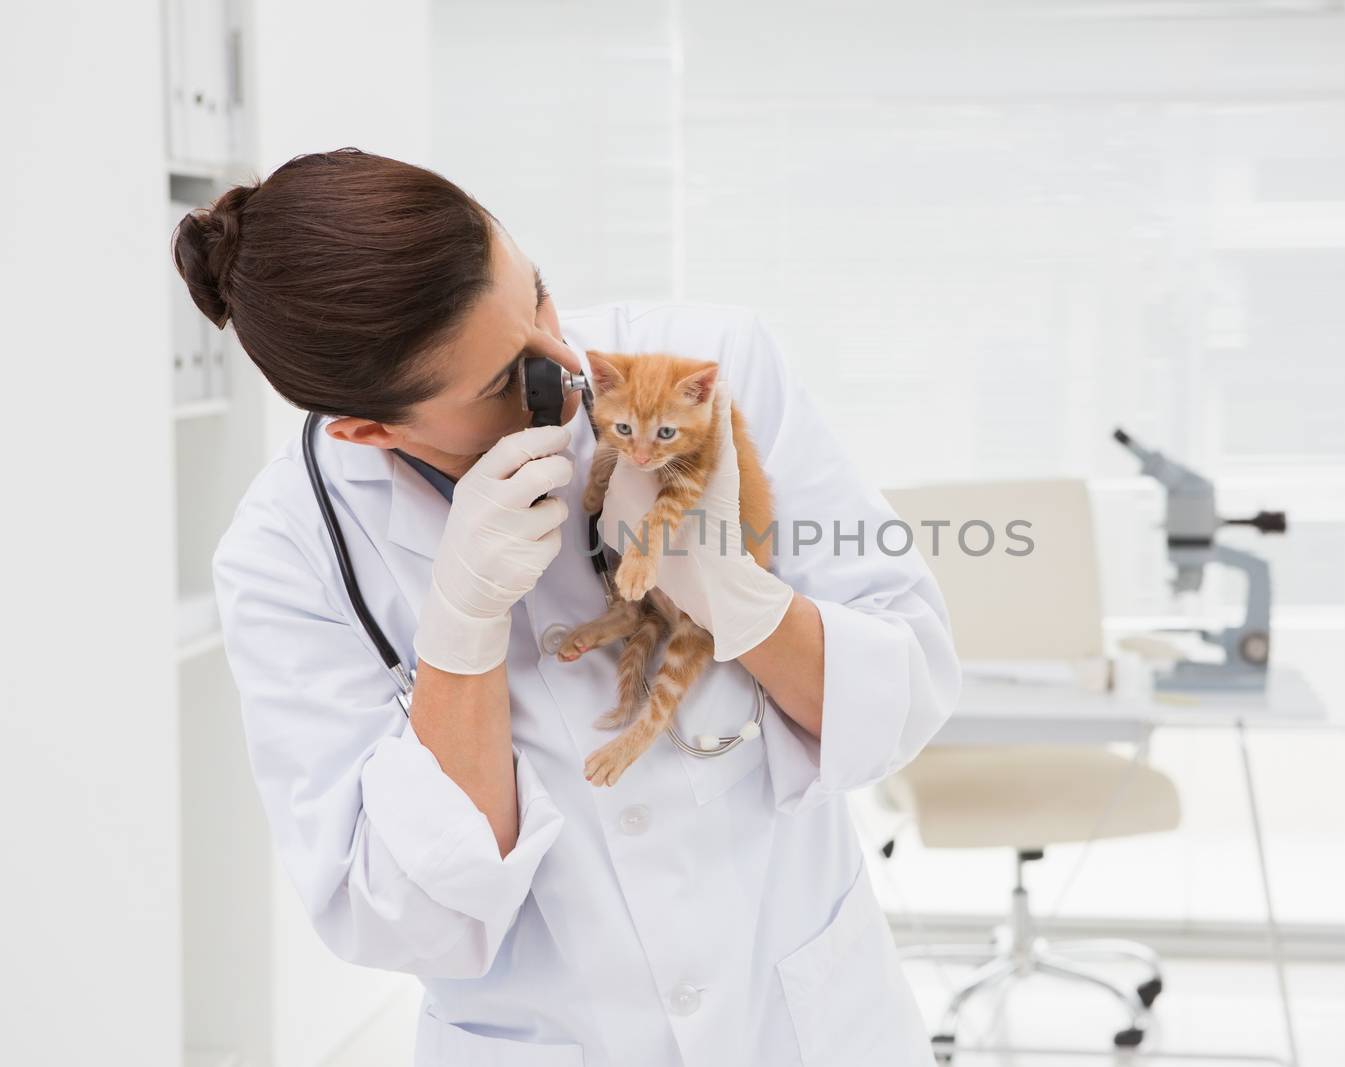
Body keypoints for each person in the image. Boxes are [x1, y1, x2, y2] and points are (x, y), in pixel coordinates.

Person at [180, 147, 959, 1067]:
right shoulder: (288, 551)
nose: (569, 368)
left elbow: (905, 691)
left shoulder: (707, 371)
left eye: (539, 295)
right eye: (503, 379)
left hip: (800, 1022)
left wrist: (732, 593)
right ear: (369, 428)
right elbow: (397, 915)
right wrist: (461, 631)